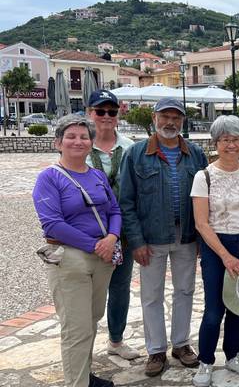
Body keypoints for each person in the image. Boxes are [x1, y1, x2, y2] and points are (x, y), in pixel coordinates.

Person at [119, 98, 208, 377]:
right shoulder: (135, 154)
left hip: (187, 236)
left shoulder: (195, 154)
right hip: (151, 238)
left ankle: (181, 345)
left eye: (176, 118)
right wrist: (136, 241)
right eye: (165, 117)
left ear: (182, 121)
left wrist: (203, 240)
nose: (170, 122)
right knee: (151, 295)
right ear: (154, 119)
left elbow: (206, 198)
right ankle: (156, 350)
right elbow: (126, 201)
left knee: (185, 291)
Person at [32, 114, 121, 387]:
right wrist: (97, 244)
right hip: (70, 259)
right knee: (76, 329)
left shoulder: (96, 175)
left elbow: (114, 209)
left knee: (91, 321)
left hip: (101, 258)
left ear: (91, 143)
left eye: (84, 137)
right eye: (70, 136)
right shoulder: (49, 178)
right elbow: (53, 224)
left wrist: (112, 236)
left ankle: (84, 375)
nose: (78, 141)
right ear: (58, 143)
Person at [190, 116, 239, 386]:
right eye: (225, 140)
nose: (231, 145)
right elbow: (201, 222)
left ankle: (233, 356)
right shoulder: (204, 176)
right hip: (216, 247)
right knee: (214, 309)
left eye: (236, 139)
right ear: (216, 143)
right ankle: (206, 361)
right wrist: (224, 255)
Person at [84, 89, 139, 360]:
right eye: (100, 111)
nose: (106, 116)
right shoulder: (80, 146)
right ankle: (84, 344)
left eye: (112, 112)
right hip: (88, 233)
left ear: (118, 115)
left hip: (123, 232)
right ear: (89, 114)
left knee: (120, 288)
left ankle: (116, 340)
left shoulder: (130, 147)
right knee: (87, 292)